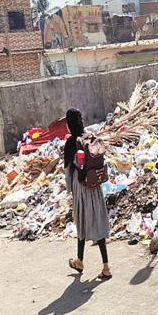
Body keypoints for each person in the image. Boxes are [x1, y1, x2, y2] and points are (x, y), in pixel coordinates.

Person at [63, 109, 112, 279]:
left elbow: (68, 169)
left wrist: (69, 190)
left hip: (81, 187)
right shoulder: (89, 136)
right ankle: (101, 265)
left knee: (82, 221)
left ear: (69, 123)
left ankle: (81, 261)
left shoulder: (71, 142)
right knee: (97, 221)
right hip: (95, 186)